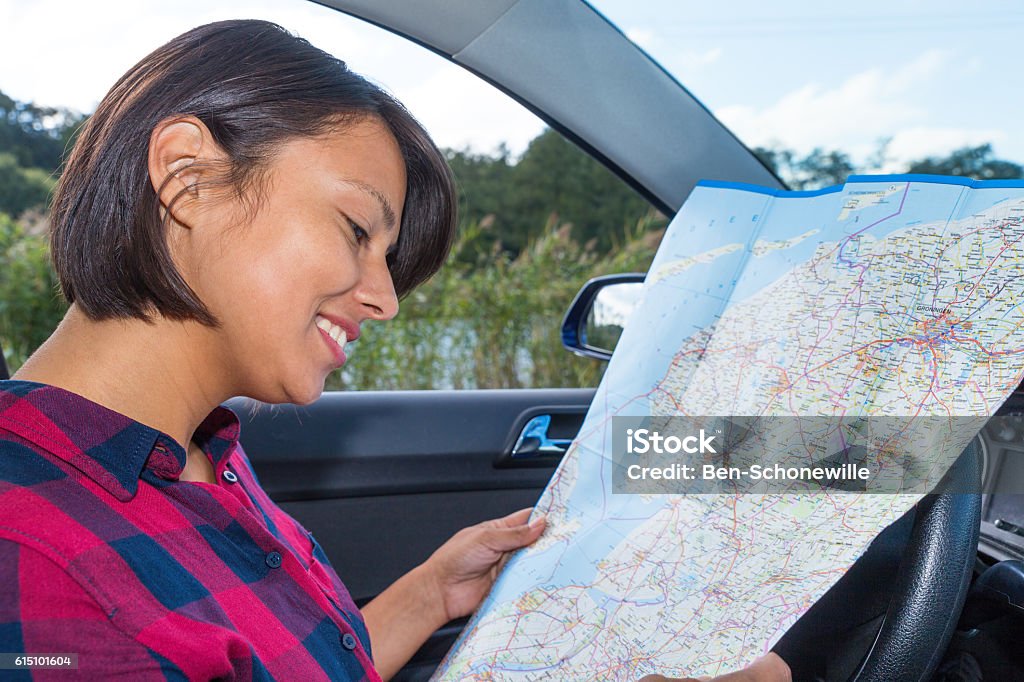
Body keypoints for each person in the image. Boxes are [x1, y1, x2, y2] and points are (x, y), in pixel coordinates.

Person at [0, 19, 789, 681]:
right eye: (356, 230)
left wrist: (428, 594)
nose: (385, 298)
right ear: (188, 179)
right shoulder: (34, 562)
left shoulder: (200, 449)